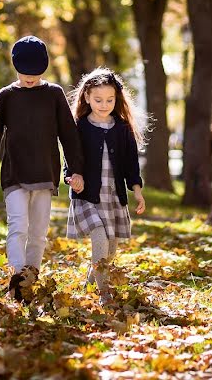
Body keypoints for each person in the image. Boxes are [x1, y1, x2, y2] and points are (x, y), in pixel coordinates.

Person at [0, 36, 85, 303]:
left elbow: (69, 135)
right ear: (15, 67)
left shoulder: (53, 94)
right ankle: (16, 275)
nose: (30, 78)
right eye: (25, 73)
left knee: (38, 230)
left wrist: (76, 170)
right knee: (18, 226)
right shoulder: (6, 96)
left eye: (36, 73)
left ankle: (30, 275)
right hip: (14, 173)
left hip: (45, 173)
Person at [66, 67, 146, 305]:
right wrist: (73, 176)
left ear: (117, 99)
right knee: (99, 238)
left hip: (112, 196)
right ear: (87, 97)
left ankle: (92, 281)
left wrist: (138, 191)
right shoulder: (79, 126)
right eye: (98, 99)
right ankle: (104, 293)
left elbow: (132, 163)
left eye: (109, 100)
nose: (104, 104)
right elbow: (71, 158)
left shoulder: (122, 128)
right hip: (87, 196)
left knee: (110, 251)